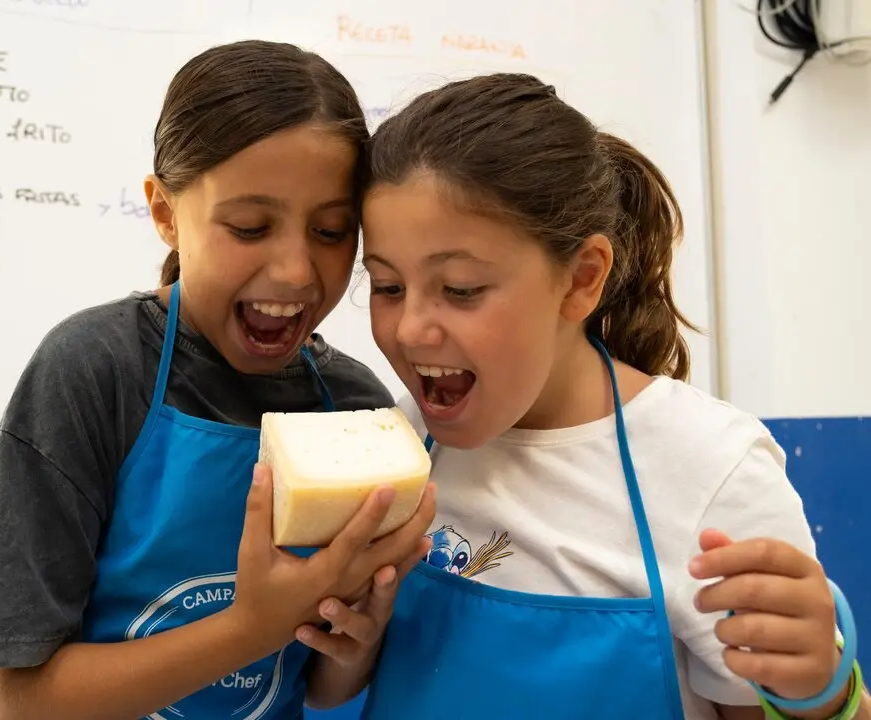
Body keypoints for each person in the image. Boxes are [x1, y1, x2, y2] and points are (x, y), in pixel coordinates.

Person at [298, 73, 866, 719]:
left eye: (460, 289)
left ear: (582, 280)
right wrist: (350, 646)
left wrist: (822, 691)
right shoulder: (395, 451)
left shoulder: (710, 471)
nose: (409, 329)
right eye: (388, 287)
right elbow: (329, 687)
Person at [0, 39, 435, 720]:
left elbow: (322, 684)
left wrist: (356, 640)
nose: (294, 270)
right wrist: (250, 628)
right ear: (166, 213)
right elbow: (17, 704)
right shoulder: (94, 371)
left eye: (331, 230)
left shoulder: (354, 411)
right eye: (250, 227)